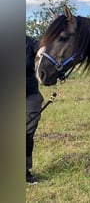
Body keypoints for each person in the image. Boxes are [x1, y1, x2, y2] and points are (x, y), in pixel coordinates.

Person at [26, 36, 44, 184]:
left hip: (30, 93)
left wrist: (43, 52)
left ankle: (24, 170)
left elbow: (41, 50)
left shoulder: (29, 41)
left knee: (27, 131)